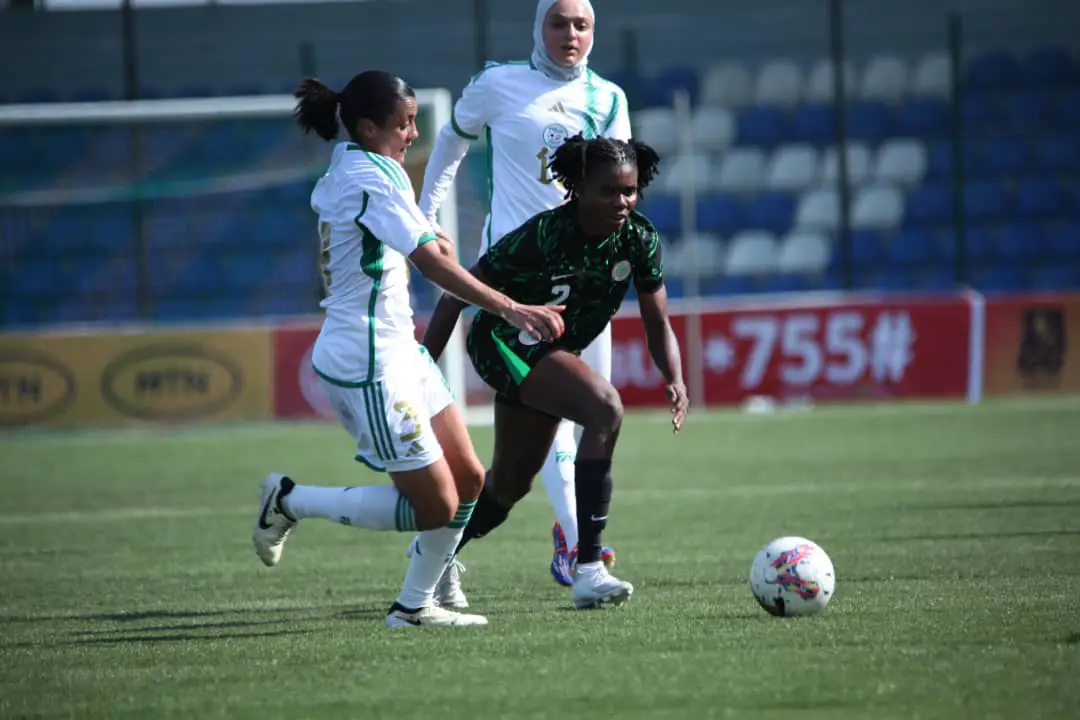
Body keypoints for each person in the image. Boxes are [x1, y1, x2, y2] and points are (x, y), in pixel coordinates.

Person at [251, 70, 565, 628]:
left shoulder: (367, 166)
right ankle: (291, 501)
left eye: (416, 120)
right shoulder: (368, 177)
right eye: (404, 123)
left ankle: (415, 605)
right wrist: (509, 307)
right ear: (368, 128)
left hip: (401, 350)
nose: (414, 133)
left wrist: (426, 230)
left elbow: (402, 232)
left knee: (470, 481)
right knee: (436, 505)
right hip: (367, 360)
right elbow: (428, 261)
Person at [418, 0, 632, 596]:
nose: (571, 34)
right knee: (576, 417)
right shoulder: (499, 84)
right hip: (512, 290)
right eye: (558, 22)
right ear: (538, 26)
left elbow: (620, 186)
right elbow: (450, 144)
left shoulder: (610, 99)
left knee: (576, 429)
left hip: (586, 292)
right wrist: (425, 216)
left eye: (582, 24)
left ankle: (451, 553)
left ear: (595, 32)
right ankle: (583, 556)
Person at [422, 134, 689, 609]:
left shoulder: (640, 239)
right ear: (579, 187)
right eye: (608, 191)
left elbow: (658, 321)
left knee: (507, 487)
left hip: (552, 352)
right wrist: (422, 372)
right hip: (501, 342)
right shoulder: (543, 234)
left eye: (628, 191)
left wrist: (675, 376)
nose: (621, 201)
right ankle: (588, 568)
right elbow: (454, 295)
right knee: (604, 408)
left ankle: (432, 555)